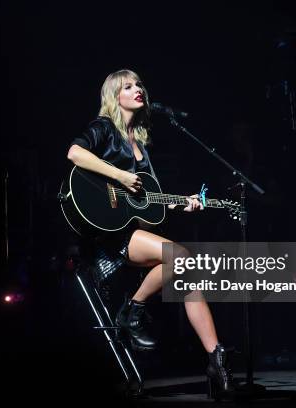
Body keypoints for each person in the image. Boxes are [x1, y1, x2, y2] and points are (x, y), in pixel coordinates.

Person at [66, 69, 233, 398]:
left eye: (139, 84)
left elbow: (145, 208)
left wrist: (180, 204)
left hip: (133, 232)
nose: (137, 89)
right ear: (116, 97)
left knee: (188, 272)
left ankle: (217, 360)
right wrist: (120, 176)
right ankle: (131, 311)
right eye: (128, 86)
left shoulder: (140, 142)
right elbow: (74, 153)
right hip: (108, 238)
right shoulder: (104, 129)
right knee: (181, 256)